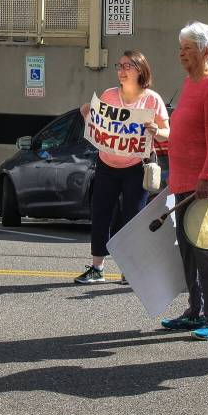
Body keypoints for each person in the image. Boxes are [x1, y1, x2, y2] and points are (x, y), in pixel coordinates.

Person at [158, 22, 208, 341]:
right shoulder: (190, 84)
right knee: (189, 250)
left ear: (206, 52)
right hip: (184, 181)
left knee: (207, 249)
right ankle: (195, 310)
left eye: (188, 48)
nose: (181, 53)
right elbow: (185, 136)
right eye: (180, 47)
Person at [74, 50, 170, 285]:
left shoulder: (151, 99)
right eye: (119, 66)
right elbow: (97, 125)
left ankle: (130, 269)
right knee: (101, 215)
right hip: (106, 165)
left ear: (140, 69)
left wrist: (157, 132)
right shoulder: (108, 95)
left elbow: (168, 131)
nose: (121, 71)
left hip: (136, 167)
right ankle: (97, 268)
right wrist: (86, 114)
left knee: (132, 219)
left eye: (127, 66)